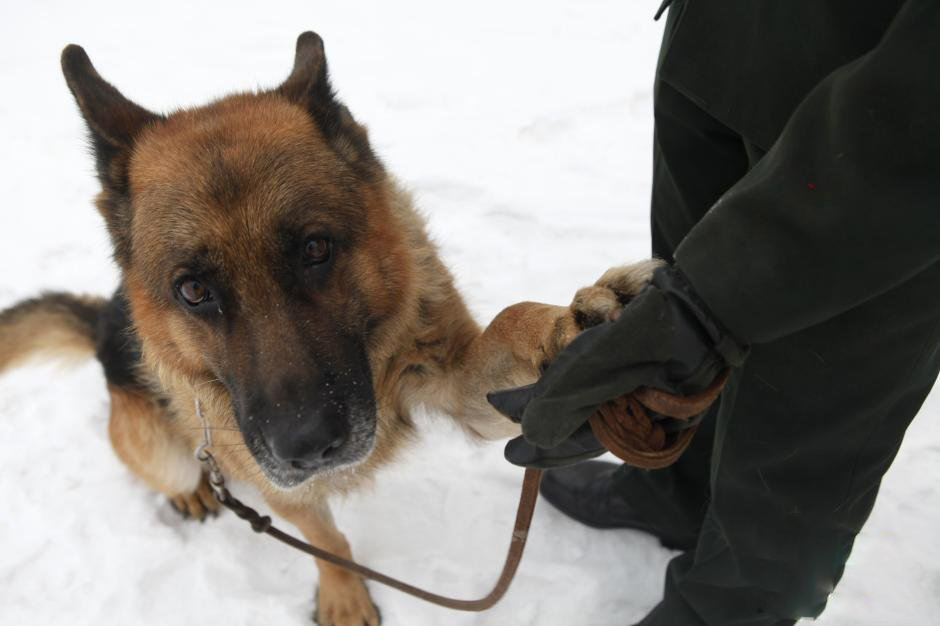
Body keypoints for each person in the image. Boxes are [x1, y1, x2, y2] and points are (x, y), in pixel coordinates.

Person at [487, 1, 940, 624]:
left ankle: (727, 610)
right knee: (684, 302)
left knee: (807, 421)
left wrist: (702, 309)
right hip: (721, 47)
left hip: (889, 139)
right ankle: (679, 488)